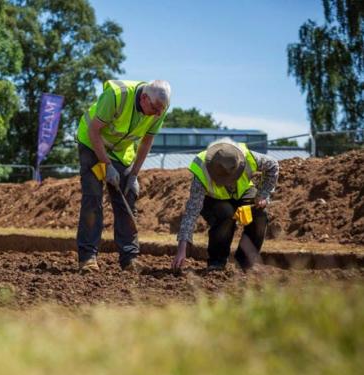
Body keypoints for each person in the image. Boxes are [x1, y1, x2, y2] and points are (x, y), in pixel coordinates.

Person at [76, 79, 171, 273]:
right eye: (155, 108)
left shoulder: (159, 108)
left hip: (120, 151)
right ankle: (88, 258)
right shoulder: (117, 96)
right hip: (92, 144)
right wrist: (107, 165)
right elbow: (94, 130)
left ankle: (129, 259)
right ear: (144, 98)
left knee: (127, 195)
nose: (159, 114)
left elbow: (146, 142)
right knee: (93, 199)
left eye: (162, 109)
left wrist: (134, 175)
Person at [171, 138, 279, 271]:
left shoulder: (248, 157)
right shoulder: (201, 171)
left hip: (243, 191)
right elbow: (191, 212)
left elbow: (273, 165)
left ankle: (245, 264)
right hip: (213, 199)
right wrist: (182, 249)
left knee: (259, 216)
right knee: (226, 215)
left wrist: (263, 194)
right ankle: (217, 263)